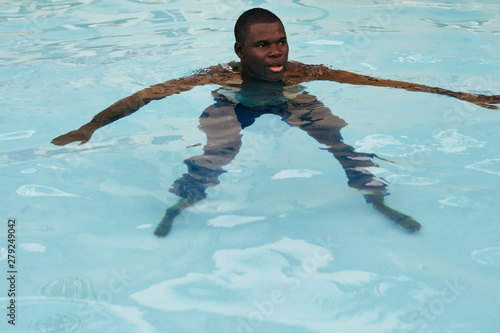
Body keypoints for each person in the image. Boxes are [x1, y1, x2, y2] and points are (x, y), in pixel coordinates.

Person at [52, 8, 500, 237]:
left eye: (282, 41)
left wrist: (460, 96)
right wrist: (90, 127)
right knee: (218, 151)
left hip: (292, 102)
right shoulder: (217, 77)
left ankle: (375, 198)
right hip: (235, 104)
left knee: (339, 142)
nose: (277, 52)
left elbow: (382, 82)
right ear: (240, 51)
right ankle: (181, 204)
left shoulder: (303, 73)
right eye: (264, 45)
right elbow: (145, 96)